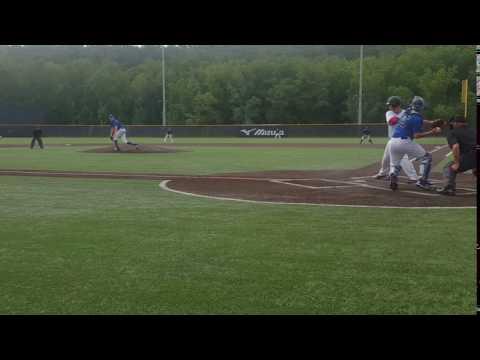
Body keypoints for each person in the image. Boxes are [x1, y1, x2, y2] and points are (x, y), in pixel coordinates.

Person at [388, 96, 442, 191]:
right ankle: (422, 181)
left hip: (392, 142)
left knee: (395, 164)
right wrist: (432, 132)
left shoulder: (407, 112)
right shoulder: (417, 118)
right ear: (420, 107)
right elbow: (417, 135)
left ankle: (393, 175)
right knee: (427, 157)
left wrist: (431, 122)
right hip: (405, 141)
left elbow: (418, 121)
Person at [374, 96, 418, 183]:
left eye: (390, 105)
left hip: (402, 139)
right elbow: (392, 122)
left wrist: (410, 115)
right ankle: (383, 172)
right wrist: (405, 116)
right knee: (386, 158)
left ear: (396, 105)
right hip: (392, 140)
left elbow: (415, 121)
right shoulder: (389, 113)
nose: (389, 107)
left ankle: (414, 177)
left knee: (403, 158)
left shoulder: (407, 113)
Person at [436, 115, 477, 195]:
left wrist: (457, 162)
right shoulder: (474, 130)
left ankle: (449, 188)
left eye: (453, 123)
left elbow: (455, 147)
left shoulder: (453, 132)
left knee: (449, 167)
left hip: (471, 154)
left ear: (457, 123)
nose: (452, 125)